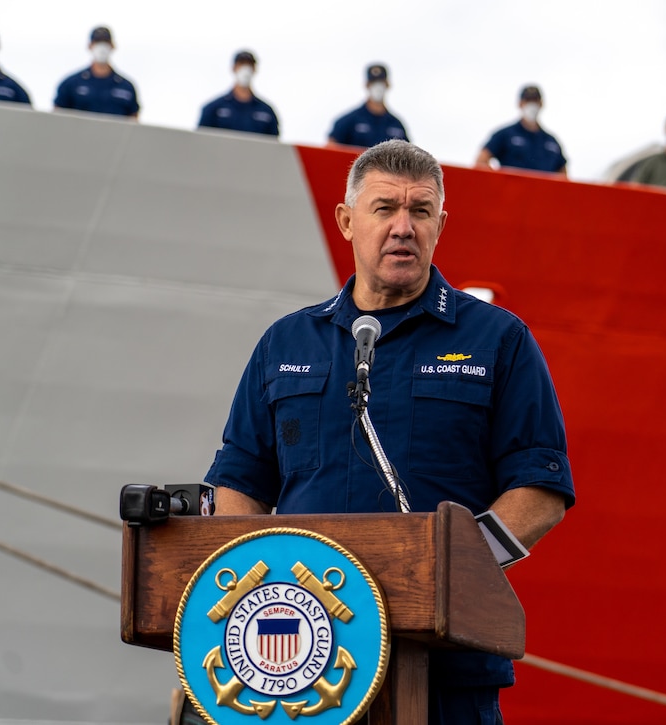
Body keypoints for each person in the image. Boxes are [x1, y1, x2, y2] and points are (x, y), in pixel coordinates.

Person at [205, 140, 574, 724]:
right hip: (300, 666)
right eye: (385, 209)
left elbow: (540, 490)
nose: (403, 227)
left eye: (420, 212)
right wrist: (256, 583)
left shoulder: (499, 341)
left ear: (441, 225)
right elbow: (239, 481)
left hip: (447, 669)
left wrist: (451, 573)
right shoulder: (285, 344)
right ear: (347, 222)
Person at [476, 85, 567, 175]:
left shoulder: (552, 142)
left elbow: (564, 176)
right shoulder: (506, 135)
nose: (532, 105)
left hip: (543, 189)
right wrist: (498, 183)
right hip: (512, 188)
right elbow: (481, 161)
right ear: (520, 103)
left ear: (541, 104)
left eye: (535, 101)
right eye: (528, 101)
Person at [54, 26, 139, 118]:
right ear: (90, 46)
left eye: (105, 42)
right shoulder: (71, 84)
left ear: (113, 46)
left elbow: (134, 123)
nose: (102, 47)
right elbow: (57, 119)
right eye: (98, 42)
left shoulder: (126, 87)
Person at [198, 50, 280, 137]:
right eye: (242, 64)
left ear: (255, 69)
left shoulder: (267, 112)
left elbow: (274, 146)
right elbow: (201, 142)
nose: (245, 69)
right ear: (234, 68)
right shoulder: (213, 109)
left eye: (249, 65)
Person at [327, 63, 409, 147]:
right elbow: (330, 150)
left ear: (387, 84)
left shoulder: (397, 125)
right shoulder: (348, 122)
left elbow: (409, 156)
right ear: (367, 85)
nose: (378, 87)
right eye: (374, 83)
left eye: (381, 82)